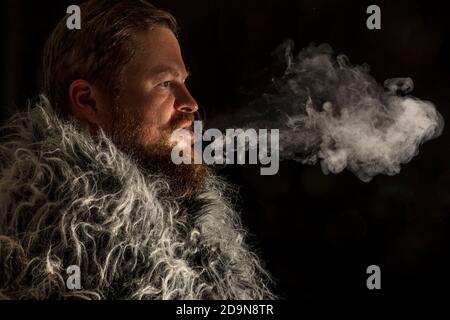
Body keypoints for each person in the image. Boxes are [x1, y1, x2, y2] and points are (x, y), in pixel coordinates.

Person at [0, 0, 276, 299]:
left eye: (183, 81)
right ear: (88, 101)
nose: (191, 103)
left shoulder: (191, 227)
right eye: (164, 83)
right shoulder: (61, 254)